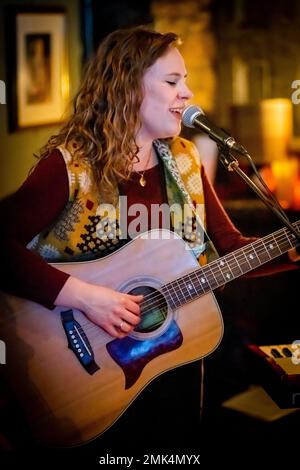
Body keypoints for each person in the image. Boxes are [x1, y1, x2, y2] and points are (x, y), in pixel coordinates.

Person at [0, 26, 299, 457]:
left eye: (186, 82)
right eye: (173, 81)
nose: (188, 94)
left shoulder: (184, 159)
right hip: (78, 373)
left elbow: (229, 247)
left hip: (167, 368)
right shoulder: (70, 166)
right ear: (128, 87)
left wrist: (291, 249)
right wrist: (87, 297)